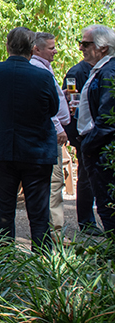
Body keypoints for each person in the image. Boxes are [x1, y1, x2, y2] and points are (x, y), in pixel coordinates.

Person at [0, 27, 60, 249]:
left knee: (4, 211)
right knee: (39, 211)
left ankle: (3, 261)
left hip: (2, 148)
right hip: (37, 149)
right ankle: (43, 262)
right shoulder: (43, 76)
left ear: (7, 46)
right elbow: (53, 108)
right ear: (33, 49)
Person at [30, 32, 71, 234]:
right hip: (50, 134)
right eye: (51, 47)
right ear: (36, 48)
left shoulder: (45, 66)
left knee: (56, 181)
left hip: (51, 133)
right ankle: (54, 232)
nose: (55, 51)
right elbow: (44, 104)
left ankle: (53, 229)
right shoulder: (38, 68)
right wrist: (59, 128)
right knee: (55, 181)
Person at [77, 24, 115, 233]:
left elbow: (108, 119)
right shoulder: (102, 70)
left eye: (85, 43)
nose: (80, 47)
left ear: (103, 48)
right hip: (98, 146)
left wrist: (88, 145)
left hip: (102, 148)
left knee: (108, 206)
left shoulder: (109, 73)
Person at [64, 53, 98, 234]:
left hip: (100, 133)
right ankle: (87, 222)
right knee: (86, 178)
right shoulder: (76, 73)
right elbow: (69, 106)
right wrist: (76, 138)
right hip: (84, 135)